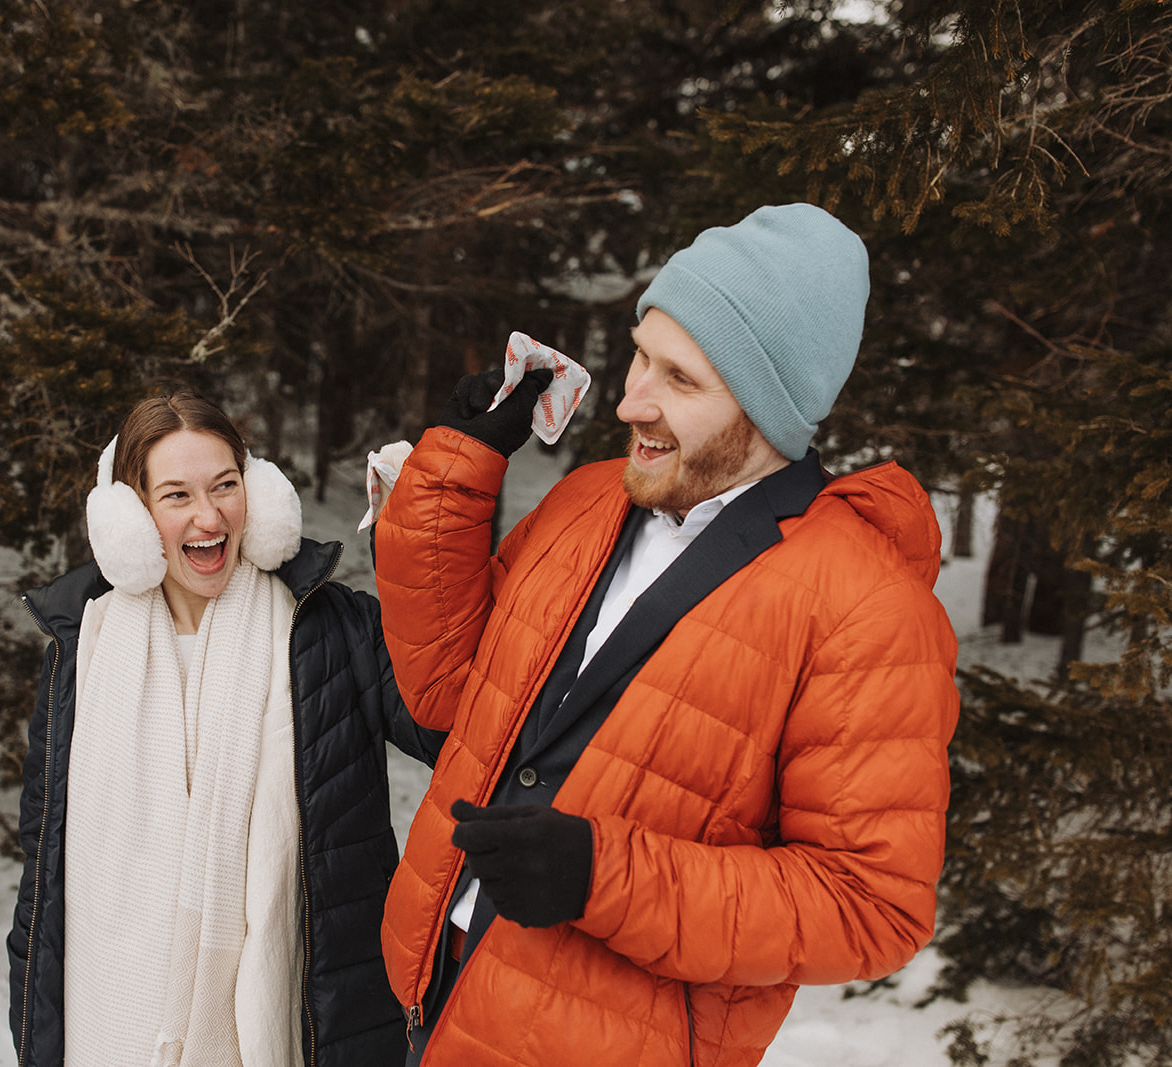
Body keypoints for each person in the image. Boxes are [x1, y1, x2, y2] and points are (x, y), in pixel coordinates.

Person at [373, 203, 961, 1066]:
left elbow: (871, 904)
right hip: (437, 992)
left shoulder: (869, 608)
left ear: (768, 407)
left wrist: (601, 876)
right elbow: (450, 697)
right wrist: (455, 474)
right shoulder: (592, 498)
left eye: (680, 380)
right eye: (641, 354)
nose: (628, 400)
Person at [8, 391, 441, 1067]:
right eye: (176, 495)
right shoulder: (80, 648)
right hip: (107, 1031)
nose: (209, 517)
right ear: (131, 517)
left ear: (258, 494)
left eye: (226, 486)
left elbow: (454, 727)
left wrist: (426, 548)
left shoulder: (327, 628)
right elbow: (42, 879)